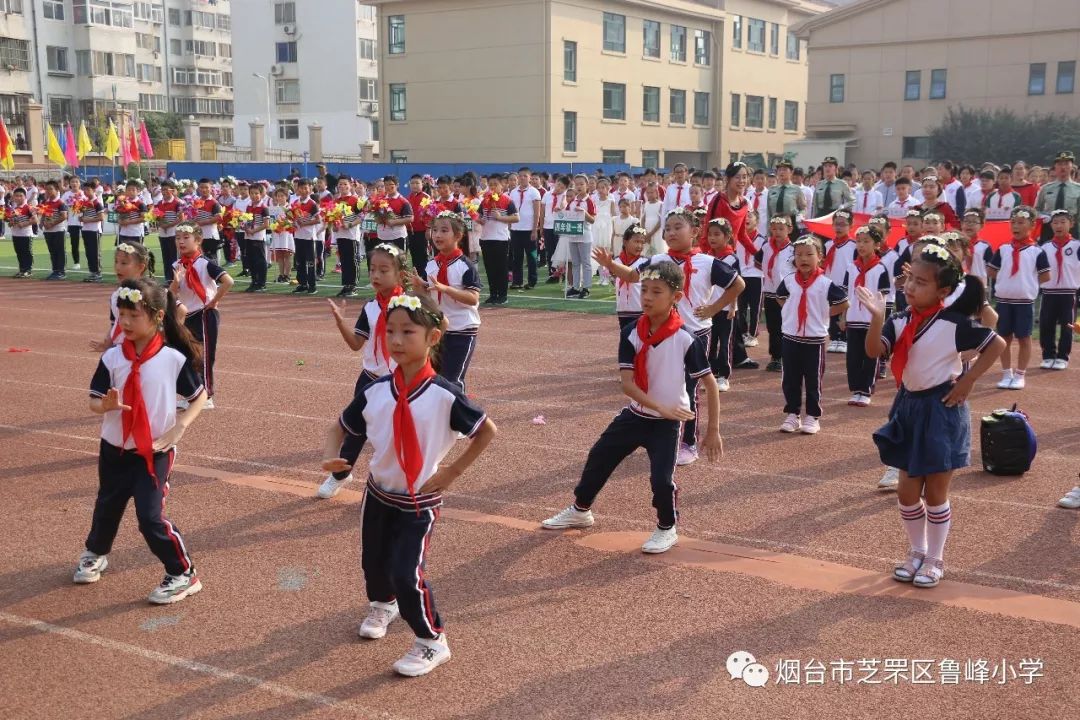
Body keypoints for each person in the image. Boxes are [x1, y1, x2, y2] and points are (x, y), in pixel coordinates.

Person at [322, 293, 496, 677]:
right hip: (378, 493)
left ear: (433, 338)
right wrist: (332, 454)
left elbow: (486, 432)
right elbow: (338, 426)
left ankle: (432, 640)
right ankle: (383, 605)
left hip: (420, 500)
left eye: (408, 332)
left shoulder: (444, 394)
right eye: (390, 332)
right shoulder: (376, 390)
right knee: (374, 564)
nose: (396, 341)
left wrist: (452, 472)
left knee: (406, 572)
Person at [540, 260, 722, 554]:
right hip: (637, 415)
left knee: (661, 480)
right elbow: (628, 385)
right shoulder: (630, 332)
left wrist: (712, 431)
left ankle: (667, 527)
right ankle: (581, 510)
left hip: (667, 423)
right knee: (599, 456)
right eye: (644, 290)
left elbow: (710, 384)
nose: (647, 297)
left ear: (676, 297)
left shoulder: (685, 338)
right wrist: (659, 407)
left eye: (656, 292)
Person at [860, 242, 1005, 588]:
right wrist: (878, 318)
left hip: (942, 410)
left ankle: (935, 558)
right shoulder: (900, 320)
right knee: (907, 491)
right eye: (910, 278)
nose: (911, 287)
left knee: (936, 491)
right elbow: (873, 352)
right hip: (909, 407)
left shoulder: (954, 324)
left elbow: (995, 344)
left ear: (942, 291)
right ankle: (916, 550)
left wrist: (968, 380)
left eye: (921, 283)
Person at [76, 278, 208, 604]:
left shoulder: (172, 360)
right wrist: (103, 406)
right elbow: (94, 400)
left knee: (150, 517)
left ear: (158, 317)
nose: (125, 323)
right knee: (107, 504)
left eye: (134, 316)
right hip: (114, 447)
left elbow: (199, 396)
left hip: (155, 449)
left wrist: (179, 428)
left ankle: (183, 573)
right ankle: (96, 552)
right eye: (122, 315)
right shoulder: (111, 359)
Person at [595, 207, 744, 465]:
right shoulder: (659, 259)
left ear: (695, 232)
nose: (671, 232)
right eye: (668, 228)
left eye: (678, 227)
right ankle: (661, 434)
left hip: (695, 334)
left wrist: (713, 308)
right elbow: (632, 275)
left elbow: (738, 284)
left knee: (689, 388)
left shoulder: (706, 262)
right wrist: (610, 264)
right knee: (660, 385)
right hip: (663, 333)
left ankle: (688, 442)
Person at [319, 243, 406, 499]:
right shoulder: (370, 307)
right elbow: (356, 344)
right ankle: (340, 475)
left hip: (400, 380)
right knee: (355, 430)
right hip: (369, 379)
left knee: (397, 433)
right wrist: (340, 322)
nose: (376, 275)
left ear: (400, 274)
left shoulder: (409, 305)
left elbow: (436, 329)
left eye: (384, 270)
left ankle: (399, 483)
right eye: (372, 269)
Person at [775, 236, 849, 434]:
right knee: (790, 378)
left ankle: (813, 416)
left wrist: (825, 313)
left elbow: (843, 302)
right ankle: (792, 414)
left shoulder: (825, 283)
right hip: (790, 337)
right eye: (799, 255)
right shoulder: (789, 281)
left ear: (820, 258)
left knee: (813, 379)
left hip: (814, 340)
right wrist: (790, 311)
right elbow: (780, 298)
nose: (803, 258)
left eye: (809, 254)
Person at [412, 211, 482, 390]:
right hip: (439, 329)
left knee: (452, 381)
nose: (437, 235)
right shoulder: (431, 264)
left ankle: (459, 416)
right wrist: (420, 287)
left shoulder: (465, 265)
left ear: (458, 236)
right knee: (432, 379)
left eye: (444, 230)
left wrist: (446, 288)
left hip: (462, 330)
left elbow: (473, 298)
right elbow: (430, 297)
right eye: (435, 230)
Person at [169, 224, 234, 409]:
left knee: (204, 356)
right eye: (177, 237)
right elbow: (171, 294)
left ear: (198, 241)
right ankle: (193, 394)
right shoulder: (176, 265)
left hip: (205, 315)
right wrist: (176, 283)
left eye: (186, 237)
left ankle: (206, 396)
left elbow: (228, 281)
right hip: (186, 315)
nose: (180, 241)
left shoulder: (205, 263)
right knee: (188, 355)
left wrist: (213, 302)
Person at [987, 207, 1050, 390]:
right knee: (1003, 337)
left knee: (1024, 337)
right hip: (1004, 300)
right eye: (1013, 222)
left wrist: (1027, 283)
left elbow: (1045, 276)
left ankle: (1020, 374)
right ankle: (1007, 373)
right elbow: (991, 270)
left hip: (1024, 301)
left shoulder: (1037, 251)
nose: (1016, 226)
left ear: (1031, 225)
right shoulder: (1003, 248)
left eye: (1021, 222)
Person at [843, 226, 891, 406]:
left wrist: (881, 320)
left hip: (871, 321)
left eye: (866, 241)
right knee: (853, 357)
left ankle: (866, 390)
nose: (861, 245)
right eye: (858, 241)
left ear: (877, 245)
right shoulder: (851, 267)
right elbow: (846, 294)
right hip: (853, 318)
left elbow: (883, 297)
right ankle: (856, 389)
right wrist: (843, 317)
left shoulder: (880, 269)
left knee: (870, 356)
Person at [90, 241, 157, 353]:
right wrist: (108, 343)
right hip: (121, 350)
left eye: (124, 263)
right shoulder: (116, 295)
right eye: (116, 262)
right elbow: (115, 323)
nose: (118, 267)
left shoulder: (151, 293)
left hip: (146, 352)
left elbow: (179, 312)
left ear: (140, 267)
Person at [1038, 209, 1079, 369]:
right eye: (1055, 222)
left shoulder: (1077, 246)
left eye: (1063, 222)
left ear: (1071, 224)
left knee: (1067, 325)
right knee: (1046, 324)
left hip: (1069, 292)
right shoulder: (1045, 246)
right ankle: (1048, 355)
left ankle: (1063, 356)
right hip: (1049, 292)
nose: (1059, 225)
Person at [704, 218, 740, 392]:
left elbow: (735, 285)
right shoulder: (707, 258)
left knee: (725, 343)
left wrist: (732, 306)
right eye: (710, 234)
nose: (712, 238)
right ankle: (710, 373)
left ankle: (723, 376)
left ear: (727, 237)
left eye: (717, 234)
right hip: (711, 307)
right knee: (711, 342)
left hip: (726, 308)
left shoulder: (732, 259)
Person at [756, 216, 796, 373]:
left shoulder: (793, 250)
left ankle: (788, 356)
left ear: (789, 229)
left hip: (787, 295)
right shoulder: (766, 247)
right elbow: (758, 262)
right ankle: (775, 357)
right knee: (773, 327)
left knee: (786, 325)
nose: (777, 232)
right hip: (770, 293)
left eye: (781, 228)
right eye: (774, 228)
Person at [477, 173, 518, 305]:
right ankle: (493, 294)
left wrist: (500, 217)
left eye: (496, 184)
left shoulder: (507, 200)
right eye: (491, 185)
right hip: (486, 238)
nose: (493, 187)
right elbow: (479, 217)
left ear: (502, 185)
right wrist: (479, 219)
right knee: (490, 268)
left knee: (501, 268)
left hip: (501, 239)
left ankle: (503, 295)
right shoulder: (484, 201)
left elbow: (516, 218)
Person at [822, 209, 857, 352]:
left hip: (845, 283)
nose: (839, 228)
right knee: (831, 310)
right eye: (836, 224)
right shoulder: (828, 244)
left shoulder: (853, 245)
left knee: (844, 308)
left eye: (843, 225)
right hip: (830, 281)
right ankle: (834, 338)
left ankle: (843, 338)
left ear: (850, 226)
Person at [559, 174, 596, 299]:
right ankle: (575, 287)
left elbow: (593, 220)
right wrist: (560, 212)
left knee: (585, 262)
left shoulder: (589, 201)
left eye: (582, 184)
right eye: (577, 184)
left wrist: (584, 213)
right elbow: (567, 215)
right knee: (575, 262)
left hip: (585, 235)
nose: (579, 186)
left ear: (587, 185)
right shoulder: (572, 201)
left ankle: (586, 288)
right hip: (573, 235)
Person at [329, 177, 365, 298]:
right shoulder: (336, 201)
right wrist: (333, 225)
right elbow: (332, 217)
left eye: (345, 184)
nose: (342, 186)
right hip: (340, 234)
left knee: (352, 260)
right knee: (343, 260)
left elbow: (361, 217)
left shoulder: (355, 200)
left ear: (350, 186)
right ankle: (346, 285)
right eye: (340, 184)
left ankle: (353, 286)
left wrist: (350, 224)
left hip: (352, 235)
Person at [509, 167, 542, 291]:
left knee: (531, 257)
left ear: (529, 177)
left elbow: (537, 212)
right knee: (516, 257)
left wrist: (535, 230)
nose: (522, 178)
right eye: (520, 176)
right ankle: (517, 281)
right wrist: (510, 225)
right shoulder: (513, 192)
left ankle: (532, 281)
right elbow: (511, 210)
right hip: (516, 229)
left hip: (529, 229)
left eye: (525, 176)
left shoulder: (534, 192)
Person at [1035, 151, 1080, 241]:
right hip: (1049, 229)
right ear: (1055, 167)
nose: (1063, 167)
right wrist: (1042, 216)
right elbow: (1036, 210)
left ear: (1072, 166)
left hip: (1072, 229)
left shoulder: (1078, 189)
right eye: (1059, 164)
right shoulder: (1045, 189)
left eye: (1066, 164)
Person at [613, 224, 649, 332]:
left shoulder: (644, 262)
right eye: (636, 241)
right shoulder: (616, 262)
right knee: (626, 339)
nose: (640, 246)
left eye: (642, 242)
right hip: (623, 310)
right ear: (625, 242)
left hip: (640, 310)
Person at [290, 178, 323, 295]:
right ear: (297, 189)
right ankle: (302, 284)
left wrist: (305, 223)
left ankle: (312, 286)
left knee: (310, 262)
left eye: (306, 188)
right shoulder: (295, 203)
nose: (303, 190)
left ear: (310, 189)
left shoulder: (312, 204)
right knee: (300, 262)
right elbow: (292, 218)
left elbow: (318, 220)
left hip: (309, 237)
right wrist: (293, 223)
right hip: (298, 236)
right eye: (301, 188)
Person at [242, 183, 271, 293]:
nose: (254, 196)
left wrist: (253, 231)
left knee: (260, 260)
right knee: (251, 260)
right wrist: (244, 227)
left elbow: (266, 224)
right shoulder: (248, 206)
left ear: (261, 194)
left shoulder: (264, 208)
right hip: (249, 236)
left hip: (258, 237)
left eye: (256, 193)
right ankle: (254, 281)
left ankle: (262, 283)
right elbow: (247, 220)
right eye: (252, 193)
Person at [39, 179, 69, 280]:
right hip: (48, 231)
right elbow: (43, 213)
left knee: (59, 251)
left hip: (58, 230)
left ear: (56, 190)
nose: (48, 191)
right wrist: (41, 222)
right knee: (52, 251)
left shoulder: (60, 203)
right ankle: (55, 270)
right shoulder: (45, 202)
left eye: (51, 189)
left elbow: (64, 216)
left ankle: (61, 271)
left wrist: (52, 223)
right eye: (47, 189)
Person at [77, 182, 107, 283]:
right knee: (89, 252)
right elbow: (80, 217)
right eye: (84, 190)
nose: (86, 192)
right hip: (86, 230)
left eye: (88, 190)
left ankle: (97, 273)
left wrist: (87, 219)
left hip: (94, 230)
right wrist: (81, 218)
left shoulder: (97, 203)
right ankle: (92, 272)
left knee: (95, 252)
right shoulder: (83, 203)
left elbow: (101, 217)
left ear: (94, 190)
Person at [269, 187, 296, 284]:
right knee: (279, 256)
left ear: (286, 197)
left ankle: (287, 274)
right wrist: (274, 226)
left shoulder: (289, 208)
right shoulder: (273, 209)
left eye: (282, 196)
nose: (280, 198)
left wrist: (283, 224)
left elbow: (292, 222)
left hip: (286, 234)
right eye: (278, 196)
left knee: (287, 255)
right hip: (277, 234)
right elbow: (271, 222)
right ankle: (281, 274)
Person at [7, 186, 35, 277]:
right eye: (16, 196)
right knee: (19, 252)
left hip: (26, 235)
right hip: (16, 234)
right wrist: (10, 223)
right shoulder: (13, 209)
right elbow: (11, 222)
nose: (18, 198)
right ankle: (22, 269)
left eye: (21, 196)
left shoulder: (28, 208)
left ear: (25, 197)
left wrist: (24, 224)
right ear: (14, 197)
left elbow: (35, 220)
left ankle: (28, 270)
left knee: (26, 252)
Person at [62, 176, 83, 271]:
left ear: (79, 183)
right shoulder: (66, 195)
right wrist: (71, 204)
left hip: (85, 222)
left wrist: (79, 205)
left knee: (88, 244)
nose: (74, 184)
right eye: (72, 182)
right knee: (74, 243)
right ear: (69, 184)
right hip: (72, 222)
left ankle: (92, 263)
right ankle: (76, 262)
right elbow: (61, 206)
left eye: (76, 182)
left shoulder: (84, 193)